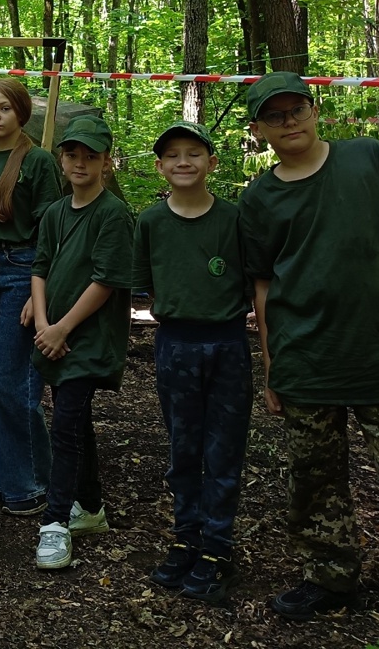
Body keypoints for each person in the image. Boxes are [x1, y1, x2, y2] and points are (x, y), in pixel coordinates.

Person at [238, 71, 379, 620]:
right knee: (314, 479)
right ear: (259, 128)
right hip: (305, 359)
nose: (289, 122)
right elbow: (263, 284)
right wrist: (271, 363)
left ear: (315, 111)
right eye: (275, 115)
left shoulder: (370, 160)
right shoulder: (259, 198)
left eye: (297, 110)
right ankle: (331, 578)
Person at [134, 120, 251, 601]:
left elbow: (253, 283)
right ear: (160, 167)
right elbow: (140, 286)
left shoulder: (234, 219)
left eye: (194, 153)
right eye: (173, 155)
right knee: (184, 447)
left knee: (223, 449)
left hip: (227, 345)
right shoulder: (150, 222)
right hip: (175, 345)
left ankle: (217, 547)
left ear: (211, 163)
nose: (184, 162)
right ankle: (186, 537)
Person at [30, 115, 133, 570]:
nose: (79, 163)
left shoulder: (113, 214)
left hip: (88, 339)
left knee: (66, 424)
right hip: (54, 334)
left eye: (90, 156)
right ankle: (90, 508)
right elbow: (40, 267)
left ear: (106, 162)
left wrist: (62, 328)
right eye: (72, 155)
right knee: (75, 422)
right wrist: (43, 320)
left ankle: (54, 524)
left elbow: (106, 280)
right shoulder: (55, 211)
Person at [0, 79, 62, 517]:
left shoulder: (39, 160)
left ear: (20, 113)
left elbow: (50, 230)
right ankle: (1, 477)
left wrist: (38, 292)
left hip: (21, 271)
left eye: (4, 108)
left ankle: (32, 481)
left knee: (14, 383)